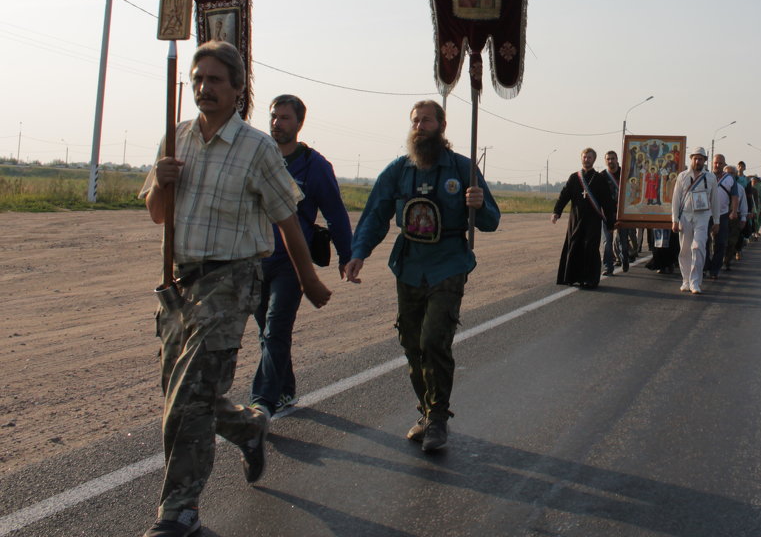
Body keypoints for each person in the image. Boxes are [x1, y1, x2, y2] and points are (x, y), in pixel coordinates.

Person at [139, 41, 332, 537]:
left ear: (238, 89)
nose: (204, 89)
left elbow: (287, 219)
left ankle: (180, 512)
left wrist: (309, 279)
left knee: (188, 400)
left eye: (215, 81)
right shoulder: (176, 137)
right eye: (198, 80)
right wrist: (162, 183)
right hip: (181, 284)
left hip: (232, 281)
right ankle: (248, 427)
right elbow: (159, 215)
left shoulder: (256, 147)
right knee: (185, 394)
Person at [344, 100, 500, 454]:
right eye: (415, 121)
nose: (419, 126)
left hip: (448, 264)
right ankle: (427, 411)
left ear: (442, 126)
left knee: (433, 341)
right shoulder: (399, 171)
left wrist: (478, 204)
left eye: (426, 120)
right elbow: (375, 215)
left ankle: (439, 418)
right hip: (409, 265)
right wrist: (358, 254)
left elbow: (491, 221)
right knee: (411, 343)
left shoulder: (463, 170)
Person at [250, 94, 353, 417]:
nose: (276, 123)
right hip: (254, 259)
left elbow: (335, 212)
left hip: (292, 261)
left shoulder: (315, 166)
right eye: (273, 117)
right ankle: (285, 389)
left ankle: (262, 403)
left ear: (299, 123)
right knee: (266, 332)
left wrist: (346, 255)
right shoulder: (257, 157)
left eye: (284, 118)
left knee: (276, 327)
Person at [552, 147, 616, 289]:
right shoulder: (574, 177)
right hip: (575, 219)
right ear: (581, 158)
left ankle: (590, 279)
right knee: (574, 245)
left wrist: (611, 224)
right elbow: (564, 195)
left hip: (593, 220)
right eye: (585, 157)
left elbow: (607, 202)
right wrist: (557, 211)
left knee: (590, 248)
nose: (587, 160)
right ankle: (572, 277)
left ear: (594, 159)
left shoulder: (599, 179)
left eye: (590, 157)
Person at [671, 146, 717, 294]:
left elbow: (715, 200)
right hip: (685, 215)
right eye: (695, 158)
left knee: (698, 247)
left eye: (701, 158)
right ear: (691, 159)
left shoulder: (710, 178)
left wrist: (717, 221)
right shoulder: (682, 176)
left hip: (702, 216)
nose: (697, 161)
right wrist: (674, 219)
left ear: (705, 160)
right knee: (685, 249)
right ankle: (685, 280)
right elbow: (675, 199)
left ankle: (695, 281)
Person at [704, 153, 740, 280]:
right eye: (715, 163)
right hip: (706, 215)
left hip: (723, 215)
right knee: (704, 242)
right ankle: (705, 266)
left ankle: (715, 269)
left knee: (720, 243)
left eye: (720, 163)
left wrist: (734, 211)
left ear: (724, 164)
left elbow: (735, 197)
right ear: (712, 163)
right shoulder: (706, 177)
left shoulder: (730, 179)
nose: (717, 165)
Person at [599, 150, 625, 275]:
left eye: (612, 158)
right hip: (607, 214)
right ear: (605, 161)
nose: (610, 161)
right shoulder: (601, 176)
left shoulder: (625, 173)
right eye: (608, 159)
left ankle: (624, 258)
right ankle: (608, 267)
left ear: (617, 159)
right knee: (606, 242)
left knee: (623, 240)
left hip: (623, 214)